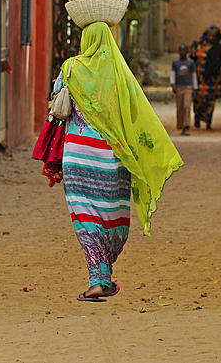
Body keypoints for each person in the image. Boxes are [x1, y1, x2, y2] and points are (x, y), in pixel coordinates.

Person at [54, 16, 183, 302]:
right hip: (113, 157)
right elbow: (134, 113)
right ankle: (103, 273)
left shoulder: (71, 68)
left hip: (76, 156)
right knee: (111, 217)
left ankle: (99, 277)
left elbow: (56, 104)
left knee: (85, 216)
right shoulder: (120, 74)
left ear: (85, 39)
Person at [190, 26, 221, 130]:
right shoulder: (198, 45)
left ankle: (208, 122)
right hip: (199, 77)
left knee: (210, 101)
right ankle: (197, 117)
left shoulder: (220, 48)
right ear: (206, 35)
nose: (212, 37)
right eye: (210, 35)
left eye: (214, 36)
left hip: (213, 79)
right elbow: (191, 59)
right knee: (197, 99)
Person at [171, 44, 198, 135]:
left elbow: (193, 75)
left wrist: (195, 88)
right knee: (180, 108)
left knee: (186, 106)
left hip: (188, 87)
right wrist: (173, 84)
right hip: (179, 87)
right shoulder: (175, 63)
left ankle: (186, 126)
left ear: (187, 52)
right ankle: (181, 125)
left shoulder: (190, 63)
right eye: (181, 50)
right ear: (178, 52)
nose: (183, 52)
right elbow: (172, 74)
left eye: (184, 50)